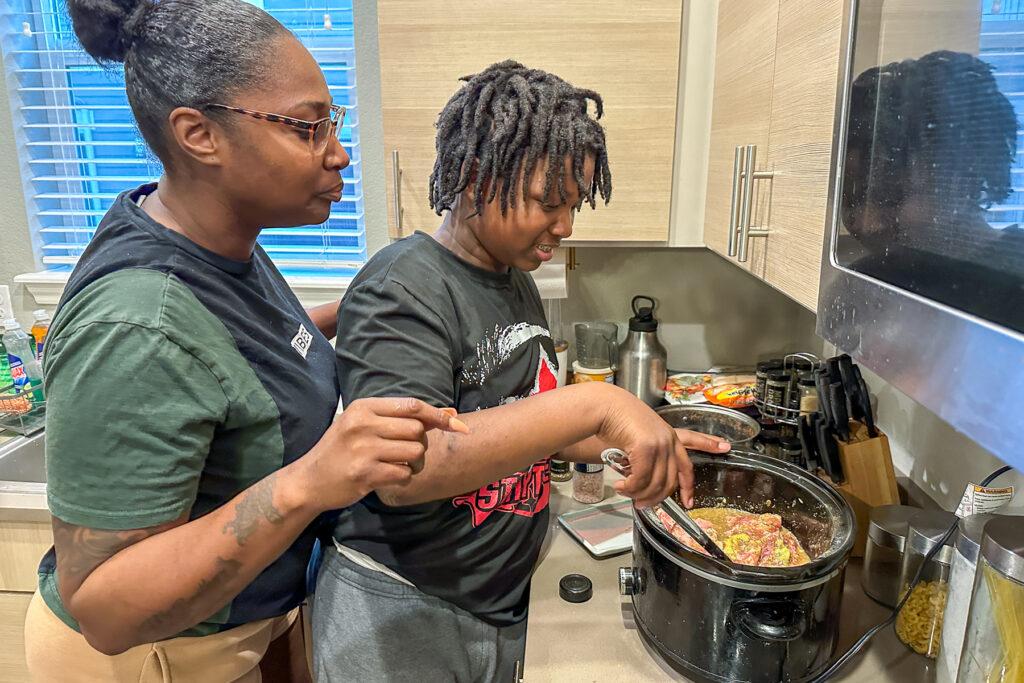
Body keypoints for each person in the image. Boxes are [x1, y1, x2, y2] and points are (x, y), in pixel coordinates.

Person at [22, 1, 464, 681]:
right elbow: (105, 609)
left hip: (231, 637)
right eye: (307, 128)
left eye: (332, 123)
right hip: (151, 661)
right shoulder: (134, 324)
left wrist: (361, 308)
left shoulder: (215, 243)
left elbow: (233, 355)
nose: (337, 152)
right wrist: (311, 482)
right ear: (199, 134)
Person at [312, 61, 732, 683]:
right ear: (477, 177)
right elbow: (405, 471)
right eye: (549, 202)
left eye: (573, 205)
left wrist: (639, 434)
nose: (565, 227)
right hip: (404, 606)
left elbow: (536, 421)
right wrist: (598, 407)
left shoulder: (514, 283)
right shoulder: (402, 288)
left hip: (499, 593)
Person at [839, 50, 1024, 331]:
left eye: (890, 197)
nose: (868, 223)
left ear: (961, 176)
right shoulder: (860, 282)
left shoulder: (1014, 283)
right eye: (851, 200)